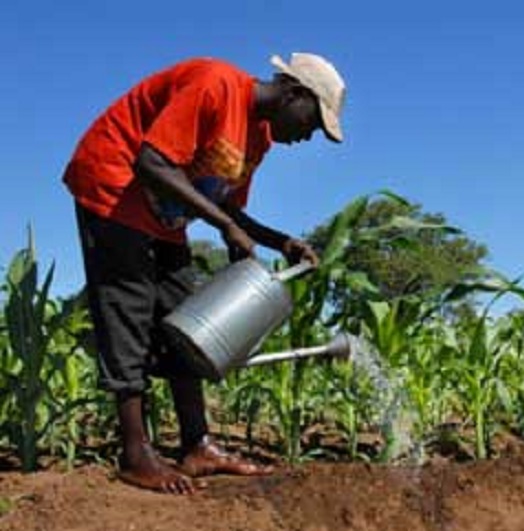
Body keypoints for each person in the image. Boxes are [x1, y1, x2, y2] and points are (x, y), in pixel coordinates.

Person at [62, 52, 346, 494]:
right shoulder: (215, 85)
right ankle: (136, 454)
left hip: (164, 218)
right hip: (114, 188)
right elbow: (151, 163)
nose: (309, 135)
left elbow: (226, 205)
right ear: (294, 93)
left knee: (186, 320)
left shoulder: (258, 139)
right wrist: (224, 226)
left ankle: (198, 446)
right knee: (128, 313)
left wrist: (278, 241)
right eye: (313, 122)